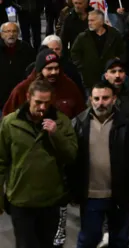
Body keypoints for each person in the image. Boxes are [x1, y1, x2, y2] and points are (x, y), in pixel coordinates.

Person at [70, 80, 129, 248]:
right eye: (96, 98)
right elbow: (70, 162)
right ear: (90, 99)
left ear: (114, 98)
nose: (100, 103)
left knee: (119, 241)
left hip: (119, 194)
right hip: (90, 195)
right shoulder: (78, 124)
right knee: (88, 239)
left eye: (105, 98)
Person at [0, 79, 78, 248]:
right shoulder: (10, 123)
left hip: (50, 200)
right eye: (38, 102)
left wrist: (56, 135)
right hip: (21, 199)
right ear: (28, 97)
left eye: (47, 103)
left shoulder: (61, 122)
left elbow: (71, 155)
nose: (42, 107)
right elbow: (1, 161)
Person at [3, 48, 84, 118]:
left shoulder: (69, 86)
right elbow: (6, 119)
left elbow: (81, 115)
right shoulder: (22, 89)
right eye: (49, 68)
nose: (54, 72)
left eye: (56, 68)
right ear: (40, 70)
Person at [71, 9, 127, 89]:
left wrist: (118, 62)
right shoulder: (83, 37)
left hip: (111, 79)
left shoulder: (114, 35)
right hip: (90, 79)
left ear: (101, 22)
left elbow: (122, 51)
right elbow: (74, 53)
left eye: (92, 20)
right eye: (88, 20)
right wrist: (83, 67)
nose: (89, 23)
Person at [0, 21, 36, 107]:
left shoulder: (26, 48)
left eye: (14, 31)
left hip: (20, 95)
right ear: (1, 34)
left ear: (18, 34)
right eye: (7, 31)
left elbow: (33, 70)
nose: (11, 34)